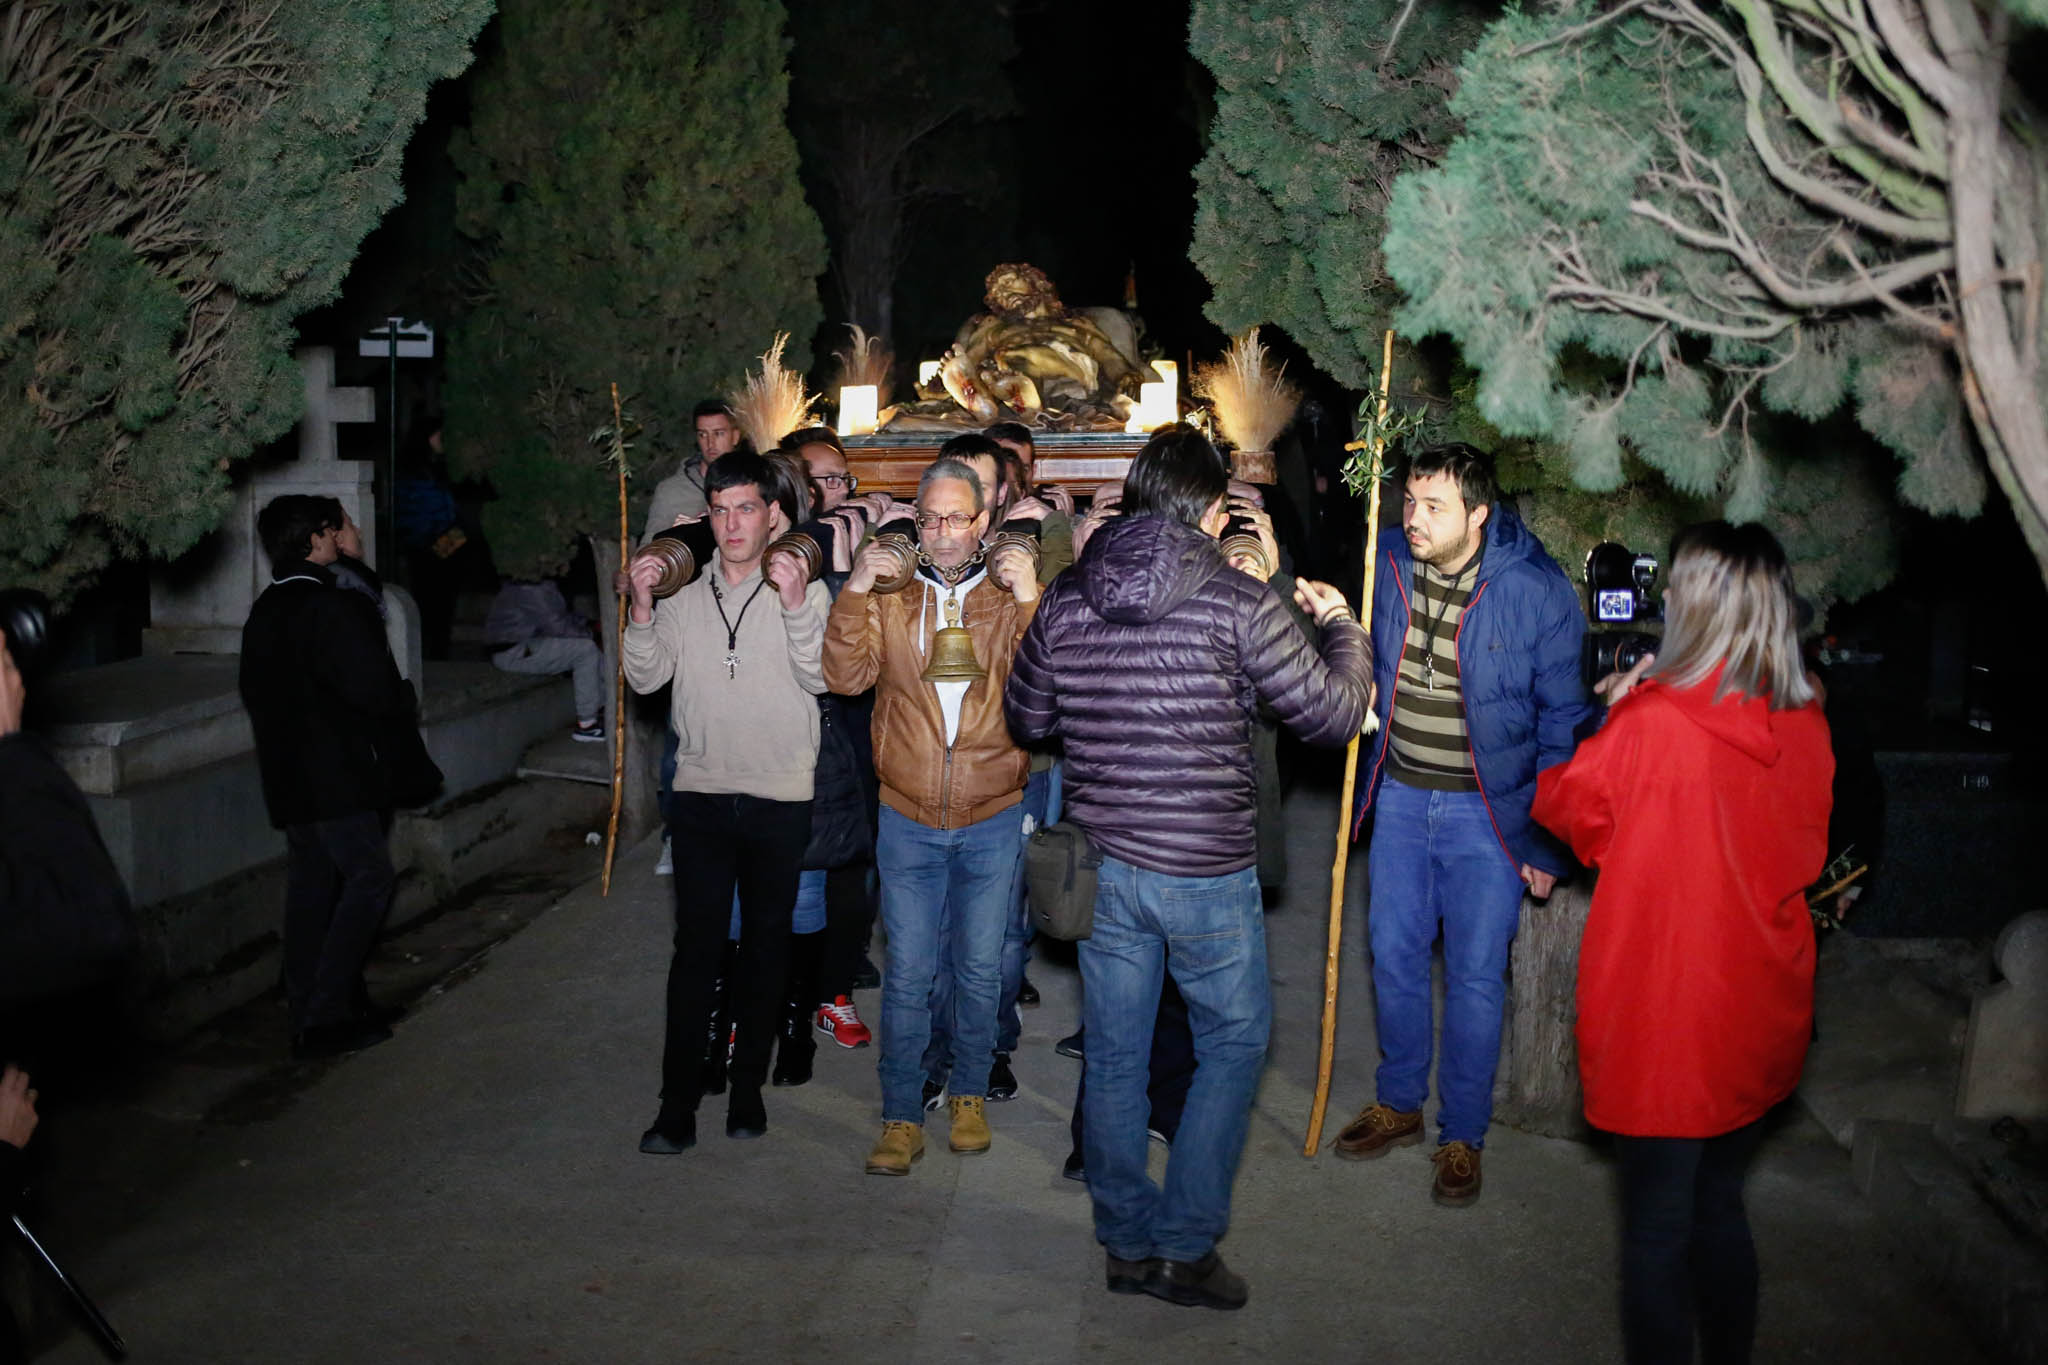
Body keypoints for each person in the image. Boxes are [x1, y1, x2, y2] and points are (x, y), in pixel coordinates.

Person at [1005, 424, 1372, 1310]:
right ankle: (1182, 1243)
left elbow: (1026, 716)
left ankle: (1125, 1240)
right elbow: (1330, 714)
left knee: (1121, 1053)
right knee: (1236, 1041)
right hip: (1204, 866)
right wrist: (1340, 627)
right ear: (1211, 510)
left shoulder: (1069, 594)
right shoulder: (1236, 602)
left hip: (1104, 864)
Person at [1533, 521, 1832, 1365]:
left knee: (1657, 1233)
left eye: (1677, 587)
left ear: (1697, 605)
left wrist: (1620, 709)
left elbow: (1570, 809)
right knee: (1720, 1209)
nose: (1662, 596)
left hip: (1669, 1009)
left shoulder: (1653, 724)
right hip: (1758, 1005)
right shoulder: (1806, 717)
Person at [1332, 442, 1595, 1205]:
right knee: (1393, 953)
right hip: (1404, 793)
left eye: (1434, 507)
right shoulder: (1385, 562)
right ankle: (1401, 1100)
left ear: (1479, 514)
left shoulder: (1535, 589)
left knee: (1478, 976)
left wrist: (1545, 839)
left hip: (1491, 811)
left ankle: (1462, 1134)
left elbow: (1564, 722)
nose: (1413, 519)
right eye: (1410, 502)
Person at [825, 452, 1041, 1176]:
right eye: (932, 517)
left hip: (990, 812)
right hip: (909, 814)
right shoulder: (891, 594)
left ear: (984, 522)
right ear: (917, 523)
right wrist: (855, 587)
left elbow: (1054, 690)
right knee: (911, 970)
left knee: (981, 969)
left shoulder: (1006, 597)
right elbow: (844, 675)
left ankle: (970, 1094)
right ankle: (899, 1114)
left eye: (959, 516)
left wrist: (1034, 596)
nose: (945, 530)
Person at [624, 452, 830, 1152]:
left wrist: (799, 601)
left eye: (746, 508)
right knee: (697, 953)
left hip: (779, 796)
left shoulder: (805, 588)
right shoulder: (687, 593)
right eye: (720, 509)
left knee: (767, 949)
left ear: (774, 514)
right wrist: (644, 606)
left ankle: (748, 1091)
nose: (733, 522)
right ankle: (674, 1106)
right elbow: (647, 676)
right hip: (704, 796)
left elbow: (820, 673)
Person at [240, 495, 421, 1059]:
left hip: (289, 776)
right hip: (337, 776)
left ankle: (309, 1010)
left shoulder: (266, 609)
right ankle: (325, 1015)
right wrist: (400, 699)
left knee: (313, 889)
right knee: (369, 880)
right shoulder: (329, 606)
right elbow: (373, 691)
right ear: (319, 537)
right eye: (335, 528)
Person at [484, 577, 606, 743]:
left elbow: (561, 616)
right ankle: (587, 726)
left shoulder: (541, 582)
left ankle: (604, 709)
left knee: (591, 649)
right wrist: (592, 634)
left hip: (526, 643)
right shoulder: (529, 586)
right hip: (512, 650)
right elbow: (557, 626)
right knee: (585, 650)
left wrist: (590, 624)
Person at [641, 399, 747, 546]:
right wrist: (672, 538)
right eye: (703, 435)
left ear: (735, 436)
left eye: (719, 433)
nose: (710, 443)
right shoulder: (671, 491)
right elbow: (647, 549)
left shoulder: (752, 485)